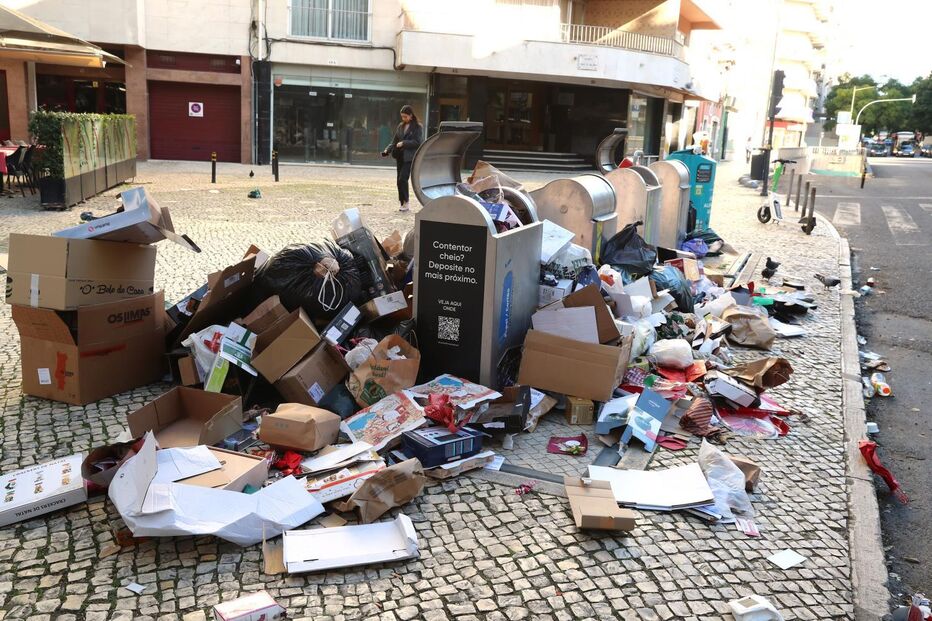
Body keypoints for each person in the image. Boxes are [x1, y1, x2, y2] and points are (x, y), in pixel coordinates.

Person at [382, 105, 423, 212]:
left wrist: (404, 143)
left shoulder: (418, 127)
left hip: (409, 158)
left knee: (403, 178)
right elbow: (394, 141)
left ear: (410, 115)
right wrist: (387, 150)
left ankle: (406, 202)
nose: (403, 119)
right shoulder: (400, 126)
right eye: (402, 117)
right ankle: (402, 202)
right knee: (398, 181)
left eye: (405, 116)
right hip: (400, 157)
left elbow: (417, 142)